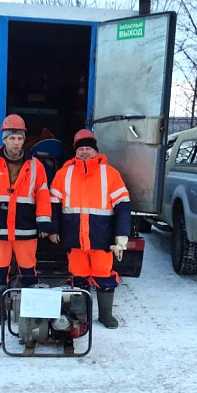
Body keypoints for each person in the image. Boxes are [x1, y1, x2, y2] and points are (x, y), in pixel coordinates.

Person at [0, 114, 52, 327]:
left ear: (24, 140)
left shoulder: (36, 166)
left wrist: (44, 222)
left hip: (26, 229)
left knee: (29, 272)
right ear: (4, 140)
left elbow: (43, 195)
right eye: (12, 138)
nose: (16, 142)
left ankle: (31, 314)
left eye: (19, 138)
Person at [49, 129, 131, 329]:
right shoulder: (63, 174)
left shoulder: (111, 174)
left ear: (96, 151)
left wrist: (121, 235)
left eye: (88, 148)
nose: (84, 152)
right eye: (81, 149)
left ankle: (105, 315)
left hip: (101, 238)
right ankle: (80, 316)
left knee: (104, 276)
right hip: (74, 238)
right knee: (78, 278)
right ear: (75, 151)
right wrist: (53, 229)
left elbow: (123, 206)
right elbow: (53, 205)